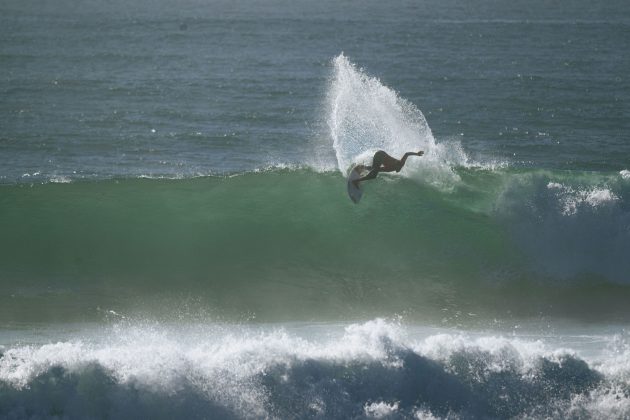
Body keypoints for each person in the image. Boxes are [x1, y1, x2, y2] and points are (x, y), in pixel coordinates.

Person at [352, 150, 424, 188]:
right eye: (398, 169)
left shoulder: (390, 169)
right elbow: (407, 154)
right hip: (381, 155)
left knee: (374, 170)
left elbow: (377, 170)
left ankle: (361, 167)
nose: (398, 171)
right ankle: (356, 181)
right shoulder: (401, 163)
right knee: (373, 175)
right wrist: (417, 154)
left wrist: (368, 173)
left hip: (380, 154)